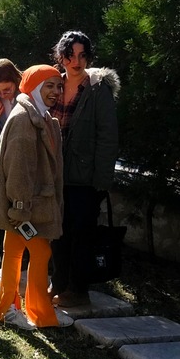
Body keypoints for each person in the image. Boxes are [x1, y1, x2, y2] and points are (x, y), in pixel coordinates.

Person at [0, 61, 66, 328]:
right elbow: (18, 167)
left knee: (12, 252)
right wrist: (20, 207)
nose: (55, 91)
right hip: (26, 206)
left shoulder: (39, 115)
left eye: (58, 86)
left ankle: (7, 308)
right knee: (40, 254)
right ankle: (38, 312)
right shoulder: (26, 119)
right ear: (35, 87)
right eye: (49, 86)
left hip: (29, 204)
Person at [51, 30, 122, 312]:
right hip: (56, 175)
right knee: (57, 233)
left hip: (85, 178)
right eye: (70, 55)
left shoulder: (97, 89)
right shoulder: (53, 84)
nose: (76, 62)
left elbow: (108, 136)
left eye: (82, 56)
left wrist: (101, 180)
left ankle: (79, 291)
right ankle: (58, 284)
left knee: (81, 236)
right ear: (61, 57)